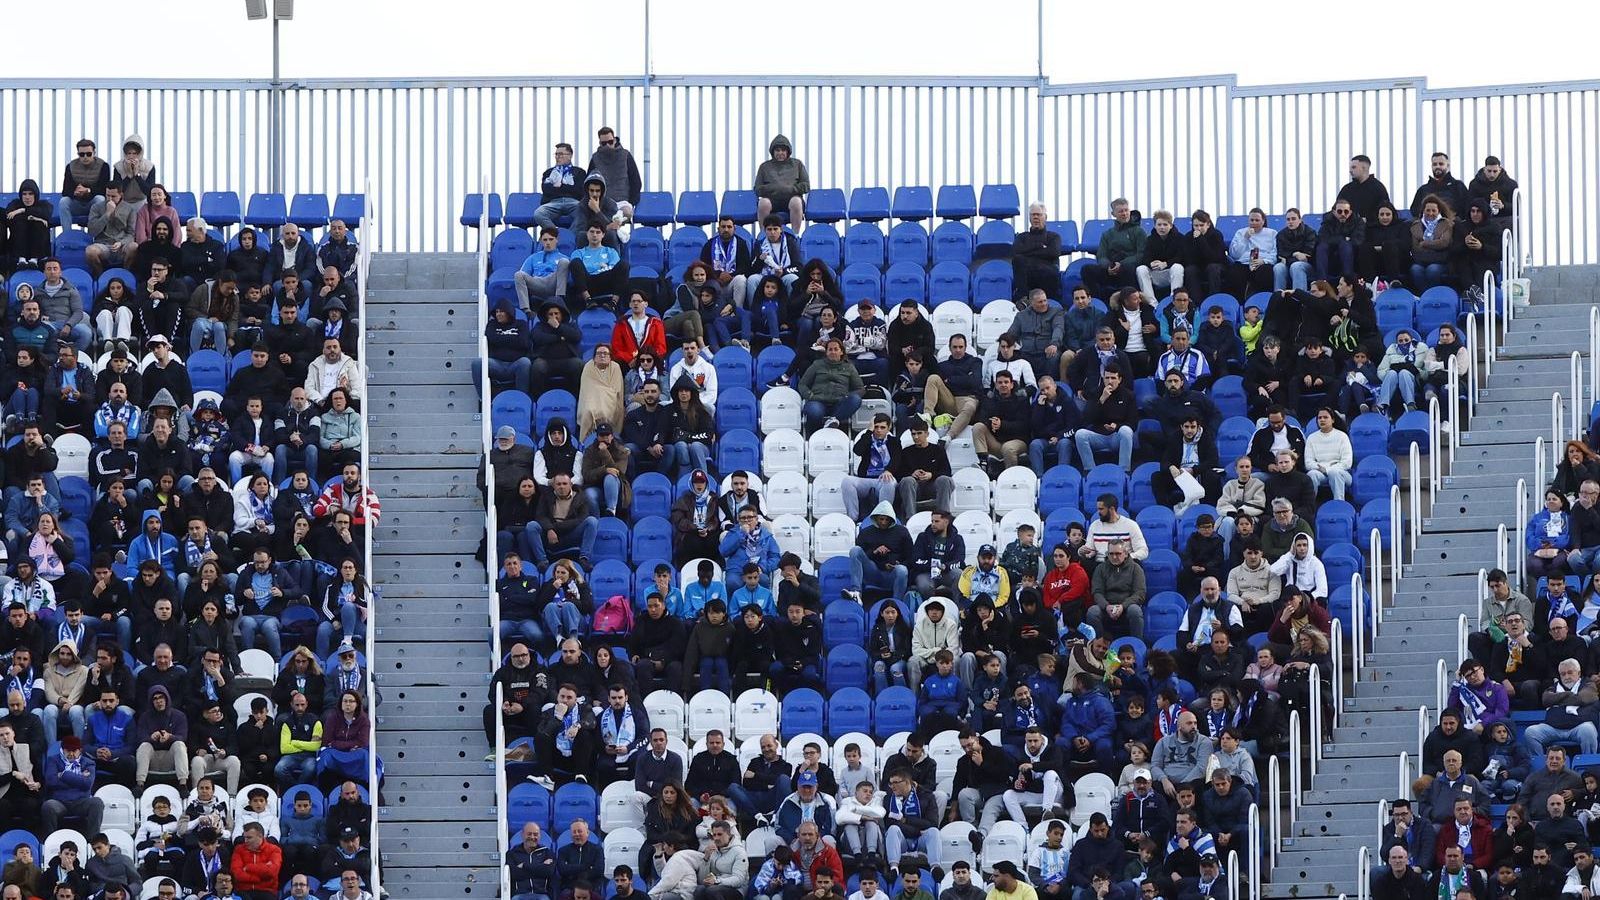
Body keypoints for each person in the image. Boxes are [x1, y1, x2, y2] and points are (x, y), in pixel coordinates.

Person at [1074, 366, 1134, 472]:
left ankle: (1124, 471)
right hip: (1099, 436)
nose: (1110, 381)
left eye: (1113, 378)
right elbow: (1087, 418)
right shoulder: (1096, 393)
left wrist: (1117, 426)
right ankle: (1090, 471)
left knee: (1126, 430)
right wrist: (1102, 399)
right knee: (1080, 434)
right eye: (1107, 378)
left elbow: (1133, 423)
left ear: (1119, 380)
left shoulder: (1128, 395)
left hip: (1117, 436)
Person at [1081, 200, 1145, 300]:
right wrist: (1108, 266)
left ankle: (1127, 301)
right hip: (1110, 269)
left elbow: (1141, 254)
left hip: (1128, 268)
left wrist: (1122, 264)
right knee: (1087, 269)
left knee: (1128, 269)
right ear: (1113, 214)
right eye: (1120, 211)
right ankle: (1097, 301)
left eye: (1126, 210)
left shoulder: (1139, 231)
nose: (1124, 214)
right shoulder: (1107, 234)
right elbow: (1101, 255)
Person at [754, 136, 808, 228]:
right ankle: (763, 235)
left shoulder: (797, 164)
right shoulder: (764, 167)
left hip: (792, 198)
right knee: (763, 203)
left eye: (783, 150)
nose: (780, 153)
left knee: (796, 202)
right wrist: (775, 188)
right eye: (777, 150)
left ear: (787, 151)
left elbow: (806, 185)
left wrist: (789, 189)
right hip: (771, 200)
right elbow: (758, 189)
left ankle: (795, 235)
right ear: (773, 152)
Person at [1013, 203, 1063, 298]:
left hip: (1047, 272)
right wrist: (1040, 246)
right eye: (1033, 214)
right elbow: (1016, 252)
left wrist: (1028, 251)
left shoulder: (1054, 237)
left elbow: (1054, 252)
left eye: (1039, 214)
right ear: (1029, 218)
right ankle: (1023, 299)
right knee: (1018, 260)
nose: (1036, 217)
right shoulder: (1021, 237)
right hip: (1028, 272)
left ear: (1045, 217)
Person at [1226, 209, 1277, 297]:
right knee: (1234, 272)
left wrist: (1264, 261)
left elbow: (1275, 252)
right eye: (1251, 220)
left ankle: (1261, 298)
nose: (1254, 223)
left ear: (1263, 221)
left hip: (1263, 262)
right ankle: (1240, 302)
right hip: (1244, 262)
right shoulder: (1240, 232)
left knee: (1266, 272)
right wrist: (1245, 238)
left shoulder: (1272, 233)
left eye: (1257, 220)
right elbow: (1234, 254)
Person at [1337, 154, 1393, 226]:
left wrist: (1368, 220)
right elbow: (1336, 209)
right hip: (1349, 229)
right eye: (1350, 168)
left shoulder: (1378, 188)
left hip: (1373, 230)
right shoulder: (1347, 189)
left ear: (1364, 168)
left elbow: (1385, 210)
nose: (1350, 171)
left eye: (1354, 167)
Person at [1410, 152, 1471, 219]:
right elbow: (1414, 211)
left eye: (1441, 164)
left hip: (1452, 225)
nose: (1437, 166)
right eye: (1435, 164)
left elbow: (1466, 208)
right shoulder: (1423, 189)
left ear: (1447, 166)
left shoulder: (1458, 186)